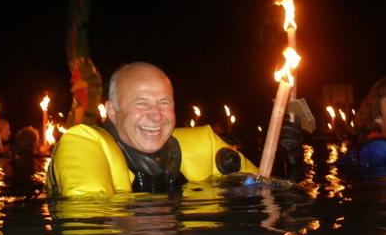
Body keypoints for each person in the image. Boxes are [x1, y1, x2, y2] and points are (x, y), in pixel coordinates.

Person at [47, 62, 259, 197]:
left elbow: (261, 187)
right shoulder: (84, 148)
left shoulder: (205, 146)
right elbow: (87, 231)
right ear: (112, 111)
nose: (156, 115)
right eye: (141, 103)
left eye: (164, 103)